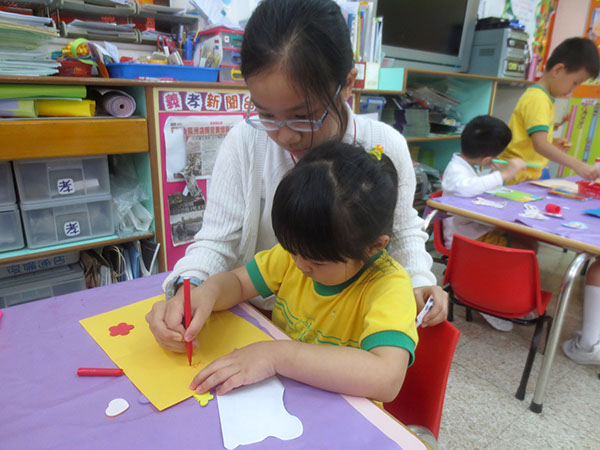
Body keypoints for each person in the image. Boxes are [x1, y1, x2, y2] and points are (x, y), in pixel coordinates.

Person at [146, 0, 447, 353]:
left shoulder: (384, 145)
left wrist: (419, 280)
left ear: (347, 84)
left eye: (304, 116)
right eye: (266, 115)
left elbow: (401, 229)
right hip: (258, 315)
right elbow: (216, 239)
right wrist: (189, 289)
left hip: (344, 334)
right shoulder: (245, 142)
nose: (285, 135)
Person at [183, 142, 417, 402]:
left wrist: (276, 355)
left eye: (317, 262)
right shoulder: (297, 254)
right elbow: (238, 283)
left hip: (343, 412)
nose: (299, 265)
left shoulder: (389, 286)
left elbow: (386, 378)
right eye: (291, 250)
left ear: (373, 247)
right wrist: (207, 293)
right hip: (281, 395)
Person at [441, 115, 527, 331]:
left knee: (524, 243)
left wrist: (493, 172)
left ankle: (504, 295)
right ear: (487, 158)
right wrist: (504, 174)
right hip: (464, 238)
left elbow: (475, 186)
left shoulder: (469, 167)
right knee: (516, 252)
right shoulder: (455, 171)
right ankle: (488, 302)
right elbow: (465, 187)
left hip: (476, 229)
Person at [499, 37, 600, 185]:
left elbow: (529, 141)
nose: (573, 90)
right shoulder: (538, 99)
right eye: (575, 83)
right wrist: (578, 165)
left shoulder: (542, 97)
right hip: (517, 178)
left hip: (525, 176)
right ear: (558, 70)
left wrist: (551, 143)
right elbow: (540, 144)